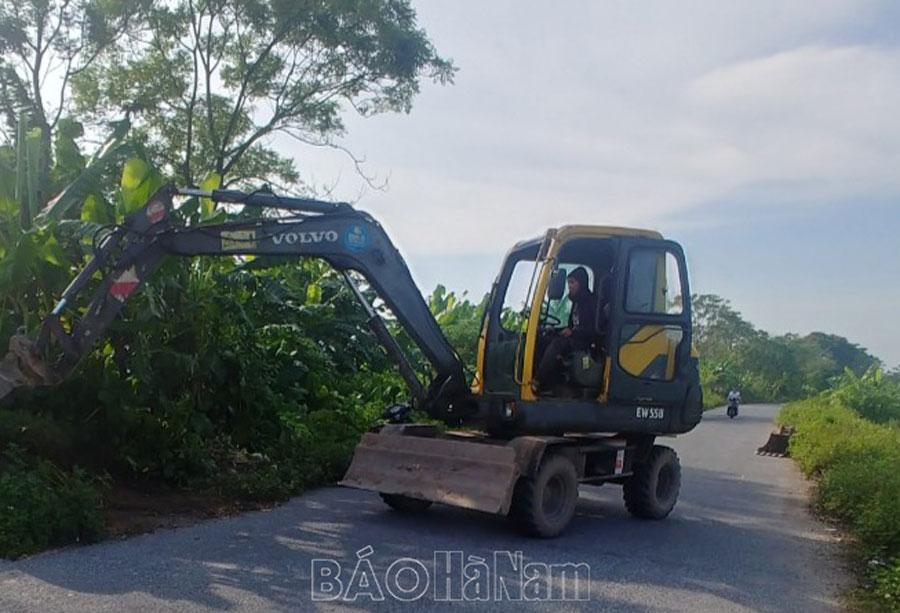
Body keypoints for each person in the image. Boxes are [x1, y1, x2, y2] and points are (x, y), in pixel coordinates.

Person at [532, 266, 597, 393]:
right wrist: (556, 330)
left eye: (573, 282)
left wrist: (573, 332)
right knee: (542, 339)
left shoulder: (591, 302)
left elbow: (594, 330)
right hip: (575, 338)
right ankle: (544, 381)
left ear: (581, 283)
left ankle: (538, 381)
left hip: (586, 342)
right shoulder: (576, 302)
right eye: (568, 283)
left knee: (558, 343)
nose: (570, 286)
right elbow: (571, 325)